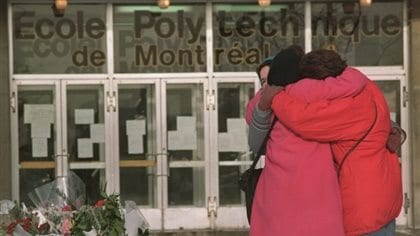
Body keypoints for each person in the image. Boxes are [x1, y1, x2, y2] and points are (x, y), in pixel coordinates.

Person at [265, 49, 403, 235]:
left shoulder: (349, 106)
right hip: (385, 193)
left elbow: (304, 119)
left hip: (364, 204)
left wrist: (277, 97)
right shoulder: (366, 86)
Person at [245, 45, 371, 235]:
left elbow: (256, 143)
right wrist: (349, 71)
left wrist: (265, 102)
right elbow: (353, 84)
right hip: (320, 201)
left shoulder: (264, 101)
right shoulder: (317, 92)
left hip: (275, 199)